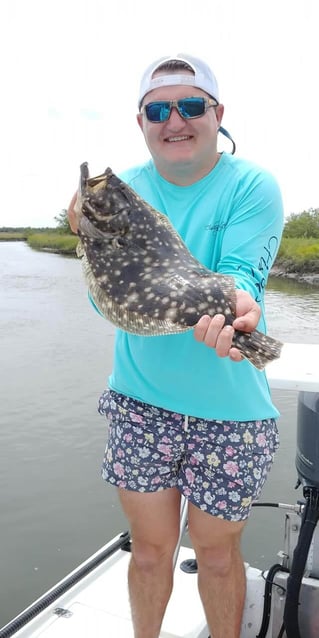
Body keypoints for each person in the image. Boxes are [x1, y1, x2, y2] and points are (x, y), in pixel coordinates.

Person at [68, 53, 284, 638]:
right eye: (158, 109)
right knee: (148, 552)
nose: (176, 120)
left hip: (232, 413)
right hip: (140, 403)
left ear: (217, 113)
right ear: (141, 122)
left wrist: (237, 309)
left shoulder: (252, 186)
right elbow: (107, 299)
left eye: (191, 105)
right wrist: (88, 242)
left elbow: (242, 273)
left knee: (216, 556)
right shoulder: (126, 188)